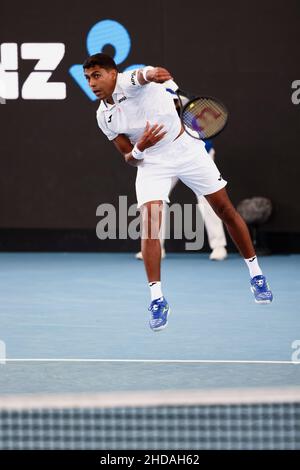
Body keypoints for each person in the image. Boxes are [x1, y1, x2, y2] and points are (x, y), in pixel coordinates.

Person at [83, 53, 273, 332]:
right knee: (149, 225)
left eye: (97, 75)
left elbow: (146, 74)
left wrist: (153, 73)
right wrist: (140, 147)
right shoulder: (103, 116)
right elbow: (129, 157)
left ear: (113, 74)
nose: (92, 83)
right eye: (88, 78)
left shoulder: (130, 80)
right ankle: (157, 299)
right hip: (152, 163)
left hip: (186, 151)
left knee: (225, 210)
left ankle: (256, 275)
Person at [135, 83, 228, 261]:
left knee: (208, 200)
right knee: (153, 201)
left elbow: (201, 131)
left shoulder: (183, 102)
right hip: (164, 159)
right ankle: (155, 248)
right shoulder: (146, 106)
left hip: (195, 155)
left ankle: (219, 246)